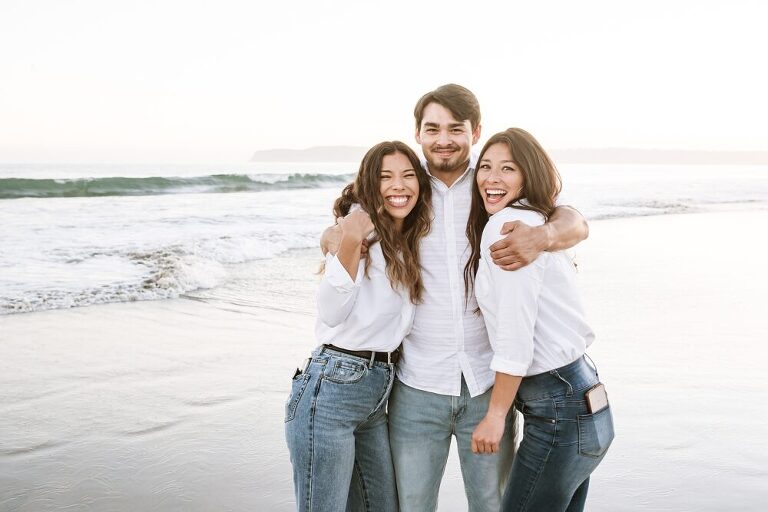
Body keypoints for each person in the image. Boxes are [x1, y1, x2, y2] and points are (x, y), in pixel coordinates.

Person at [322, 84, 589, 512]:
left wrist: (545, 236)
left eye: (455, 128)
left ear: (475, 130)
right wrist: (334, 233)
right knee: (413, 505)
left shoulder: (492, 186)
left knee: (493, 504)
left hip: (487, 382)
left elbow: (571, 218)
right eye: (433, 128)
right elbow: (349, 215)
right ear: (418, 133)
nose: (443, 139)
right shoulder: (403, 188)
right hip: (416, 385)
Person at [465, 128, 615, 511]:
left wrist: (496, 415)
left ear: (527, 174)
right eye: (485, 167)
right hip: (586, 398)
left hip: (559, 412)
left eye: (507, 169)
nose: (492, 179)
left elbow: (517, 331)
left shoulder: (508, 228)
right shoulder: (536, 219)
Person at [285, 141, 432, 512]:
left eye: (408, 176)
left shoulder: (405, 235)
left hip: (376, 393)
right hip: (333, 387)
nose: (398, 186)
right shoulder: (360, 228)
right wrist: (348, 236)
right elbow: (331, 311)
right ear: (370, 184)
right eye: (386, 177)